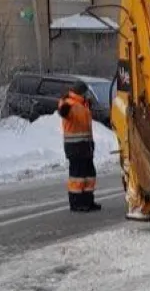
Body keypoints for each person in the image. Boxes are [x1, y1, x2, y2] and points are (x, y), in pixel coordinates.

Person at [57, 81, 102, 212]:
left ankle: (88, 201)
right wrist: (64, 109)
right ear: (80, 92)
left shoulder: (83, 105)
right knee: (77, 176)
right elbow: (63, 109)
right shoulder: (69, 103)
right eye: (86, 92)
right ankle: (76, 203)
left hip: (85, 146)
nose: (88, 94)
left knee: (89, 175)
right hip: (75, 147)